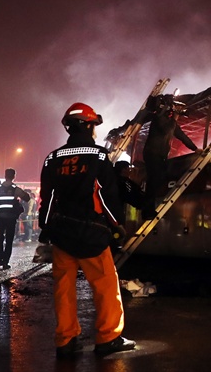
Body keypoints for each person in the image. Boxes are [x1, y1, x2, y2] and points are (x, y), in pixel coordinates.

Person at [38, 102, 135, 359]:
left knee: (64, 289)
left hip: (61, 235)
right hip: (92, 235)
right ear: (90, 125)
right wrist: (117, 225)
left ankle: (66, 341)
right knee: (104, 286)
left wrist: (45, 228)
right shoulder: (99, 156)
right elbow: (106, 196)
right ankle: (108, 337)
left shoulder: (53, 158)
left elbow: (47, 198)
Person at [141, 94, 200, 220]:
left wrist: (195, 149)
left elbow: (182, 136)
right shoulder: (159, 118)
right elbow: (165, 129)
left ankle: (148, 209)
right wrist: (175, 117)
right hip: (152, 154)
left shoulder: (170, 122)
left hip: (159, 156)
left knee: (158, 179)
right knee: (153, 181)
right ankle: (147, 211)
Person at [0, 169, 29, 270]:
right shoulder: (15, 189)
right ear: (14, 176)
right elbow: (27, 198)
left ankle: (0, 258)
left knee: (0, 237)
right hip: (11, 218)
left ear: (5, 176)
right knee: (9, 240)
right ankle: (6, 261)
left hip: (0, 217)